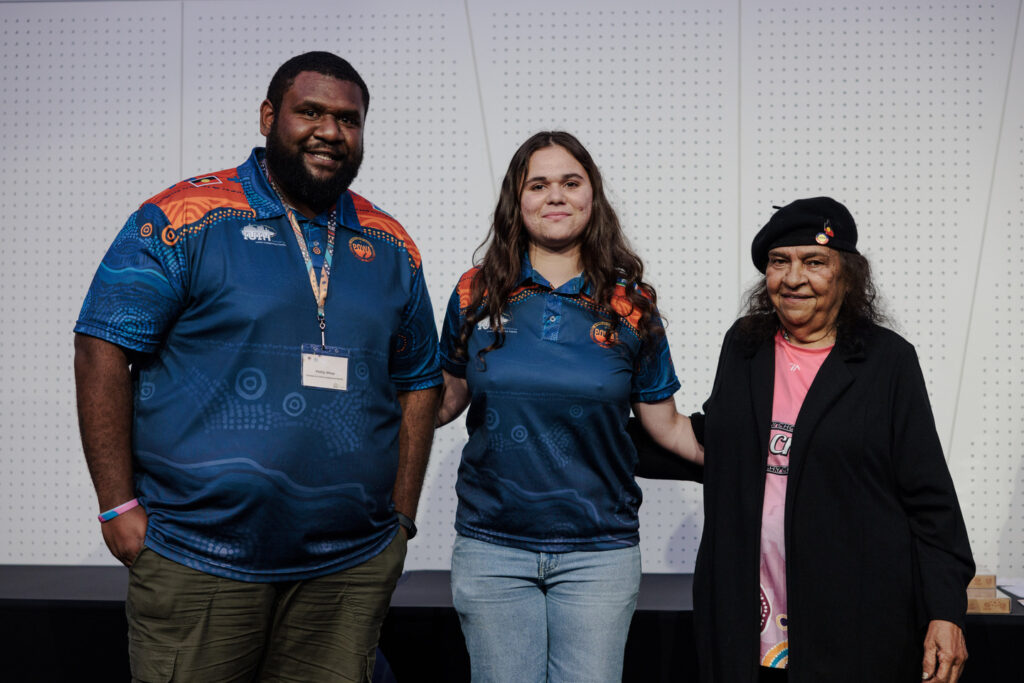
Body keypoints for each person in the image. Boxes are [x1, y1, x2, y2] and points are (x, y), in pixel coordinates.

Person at [74, 52, 442, 681]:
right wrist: (116, 505)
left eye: (349, 120)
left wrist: (400, 518)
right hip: (198, 560)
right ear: (271, 117)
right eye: (311, 113)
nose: (331, 131)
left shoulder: (389, 243)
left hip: (346, 570)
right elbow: (100, 346)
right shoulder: (182, 218)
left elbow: (419, 382)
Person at [636, 197, 974, 683]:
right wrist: (591, 435)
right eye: (780, 262)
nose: (793, 279)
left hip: (854, 627)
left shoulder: (887, 361)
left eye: (814, 262)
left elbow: (930, 499)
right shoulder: (745, 345)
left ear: (848, 275)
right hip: (746, 623)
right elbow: (725, 446)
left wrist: (946, 609)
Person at [436, 131, 703, 682]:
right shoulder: (475, 292)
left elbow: (668, 427)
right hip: (492, 548)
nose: (555, 195)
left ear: (592, 197)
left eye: (570, 182)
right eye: (539, 184)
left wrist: (766, 452)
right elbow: (443, 402)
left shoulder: (632, 305)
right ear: (518, 198)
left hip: (598, 553)